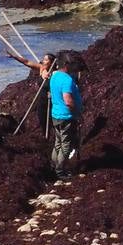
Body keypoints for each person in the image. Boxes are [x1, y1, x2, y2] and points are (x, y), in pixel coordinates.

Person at [48, 51, 83, 180]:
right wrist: (77, 113)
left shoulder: (54, 76)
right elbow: (68, 100)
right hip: (66, 116)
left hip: (55, 114)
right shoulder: (67, 80)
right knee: (66, 144)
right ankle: (60, 171)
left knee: (58, 142)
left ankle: (54, 166)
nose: (74, 67)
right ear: (66, 64)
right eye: (72, 64)